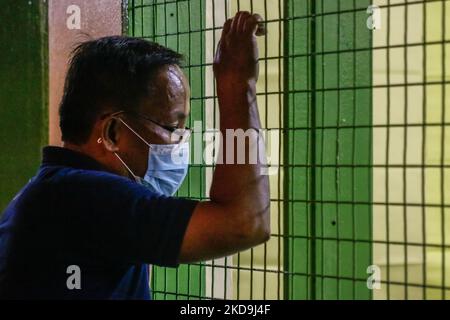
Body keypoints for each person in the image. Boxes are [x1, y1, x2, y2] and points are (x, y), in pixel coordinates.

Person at [0, 11, 270, 299]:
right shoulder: (85, 194)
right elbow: (244, 223)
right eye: (171, 126)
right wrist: (237, 86)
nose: (181, 141)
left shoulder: (55, 190)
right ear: (114, 132)